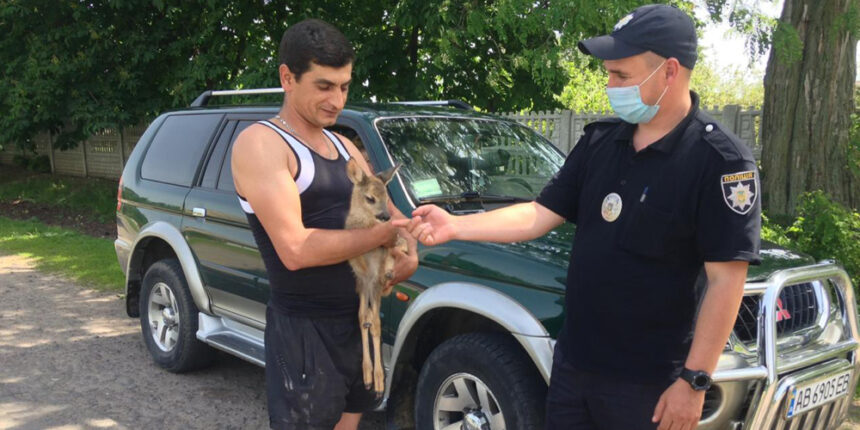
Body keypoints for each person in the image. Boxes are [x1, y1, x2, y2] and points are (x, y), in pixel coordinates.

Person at [395, 4, 761, 430]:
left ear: (670, 72)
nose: (610, 85)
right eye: (608, 73)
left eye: (621, 76)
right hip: (574, 367)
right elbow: (536, 215)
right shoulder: (600, 144)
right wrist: (455, 225)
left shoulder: (718, 161)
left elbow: (726, 281)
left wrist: (694, 382)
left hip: (651, 384)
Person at [231, 19, 418, 430]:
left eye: (345, 86)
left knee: (349, 424)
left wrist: (409, 250)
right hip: (305, 333)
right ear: (287, 77)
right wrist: (384, 235)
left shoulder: (343, 144)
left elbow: (388, 215)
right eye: (324, 86)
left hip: (358, 320)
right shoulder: (262, 145)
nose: (337, 100)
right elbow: (295, 250)